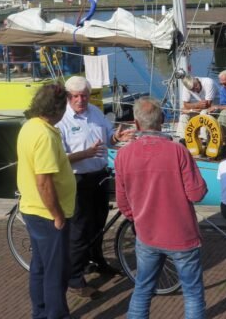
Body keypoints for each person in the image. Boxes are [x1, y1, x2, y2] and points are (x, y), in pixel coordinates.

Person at [115, 97, 208, 318]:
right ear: (162, 120)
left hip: (146, 235)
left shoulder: (123, 155)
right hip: (181, 235)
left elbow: (122, 202)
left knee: (142, 289)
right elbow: (196, 193)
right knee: (192, 293)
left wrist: (136, 218)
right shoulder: (178, 152)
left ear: (136, 124)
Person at [56, 76, 134, 299]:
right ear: (69, 97)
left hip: (99, 176)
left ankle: (97, 261)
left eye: (84, 95)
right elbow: (59, 158)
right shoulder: (61, 120)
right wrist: (86, 154)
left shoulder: (96, 112)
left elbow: (108, 138)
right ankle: (74, 279)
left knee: (99, 224)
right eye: (76, 96)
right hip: (77, 180)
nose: (81, 100)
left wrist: (116, 136)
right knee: (79, 230)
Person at [17, 82, 76, 319]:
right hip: (47, 214)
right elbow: (44, 181)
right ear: (57, 109)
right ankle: (56, 315)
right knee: (56, 272)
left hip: (32, 209)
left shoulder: (30, 127)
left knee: (40, 268)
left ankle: (40, 313)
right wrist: (58, 216)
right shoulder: (45, 136)